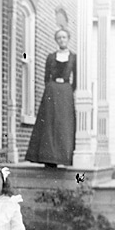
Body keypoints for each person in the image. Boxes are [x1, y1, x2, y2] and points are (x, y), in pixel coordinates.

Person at [25, 28, 77, 168]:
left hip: (65, 92)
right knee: (49, 123)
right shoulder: (50, 57)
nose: (62, 40)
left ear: (68, 39)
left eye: (64, 37)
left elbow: (75, 81)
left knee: (63, 124)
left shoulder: (73, 57)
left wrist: (67, 90)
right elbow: (46, 77)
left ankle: (63, 157)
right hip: (51, 91)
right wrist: (51, 89)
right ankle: (48, 157)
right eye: (59, 38)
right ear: (56, 40)